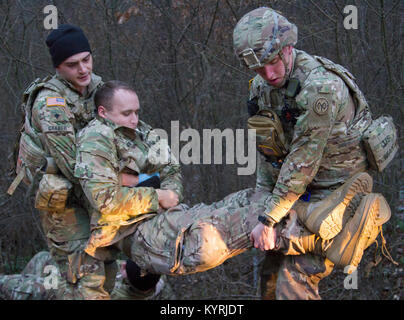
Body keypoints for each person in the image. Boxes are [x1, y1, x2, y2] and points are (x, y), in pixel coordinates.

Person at [73, 80, 386, 290]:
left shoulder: (141, 133)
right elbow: (104, 198)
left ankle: (322, 219)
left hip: (172, 217)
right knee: (249, 222)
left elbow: (172, 176)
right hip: (140, 235)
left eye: (137, 111)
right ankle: (326, 236)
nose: (134, 118)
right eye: (126, 113)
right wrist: (156, 195)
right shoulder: (97, 135)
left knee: (255, 199)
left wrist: (140, 184)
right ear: (104, 112)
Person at [232, 7, 397, 299]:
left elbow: (303, 162)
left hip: (337, 189)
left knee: (293, 281)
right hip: (300, 191)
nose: (268, 74)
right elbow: (268, 148)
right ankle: (323, 236)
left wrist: (269, 218)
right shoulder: (261, 87)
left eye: (272, 62)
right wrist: (262, 198)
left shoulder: (321, 87)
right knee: (269, 274)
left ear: (288, 47)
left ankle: (347, 224)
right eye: (258, 68)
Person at [7, 24, 112, 299]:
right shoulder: (49, 103)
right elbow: (72, 166)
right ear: (58, 68)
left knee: (105, 272)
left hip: (93, 191)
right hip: (61, 203)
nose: (83, 70)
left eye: (86, 60)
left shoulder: (97, 88)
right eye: (72, 64)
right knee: (81, 278)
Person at [0, 251, 175, 300]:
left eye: (125, 269)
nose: (122, 264)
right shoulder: (154, 281)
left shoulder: (110, 295)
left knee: (29, 286)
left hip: (67, 291)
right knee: (44, 258)